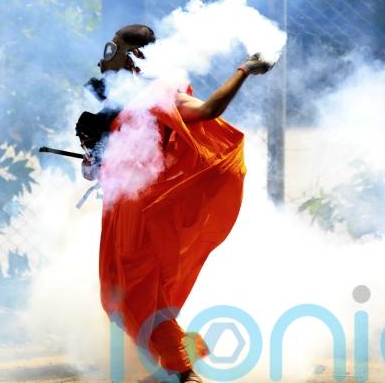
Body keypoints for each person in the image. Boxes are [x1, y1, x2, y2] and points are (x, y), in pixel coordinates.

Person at [78, 24, 272, 383]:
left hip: (150, 212)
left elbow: (210, 109)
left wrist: (244, 69)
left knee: (137, 295)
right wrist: (94, 154)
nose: (103, 59)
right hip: (123, 212)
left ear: (134, 58)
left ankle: (184, 371)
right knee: (117, 297)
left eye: (113, 50)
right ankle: (175, 364)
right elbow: (97, 171)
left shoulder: (161, 97)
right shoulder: (117, 106)